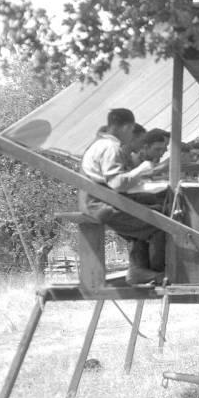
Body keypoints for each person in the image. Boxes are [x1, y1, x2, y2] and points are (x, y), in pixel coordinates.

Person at [79, 108, 165, 285]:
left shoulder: (100, 144)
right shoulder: (110, 147)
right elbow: (117, 183)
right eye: (132, 130)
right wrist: (141, 170)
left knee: (154, 209)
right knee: (160, 224)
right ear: (127, 127)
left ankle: (139, 270)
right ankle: (153, 272)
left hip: (98, 202)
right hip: (101, 206)